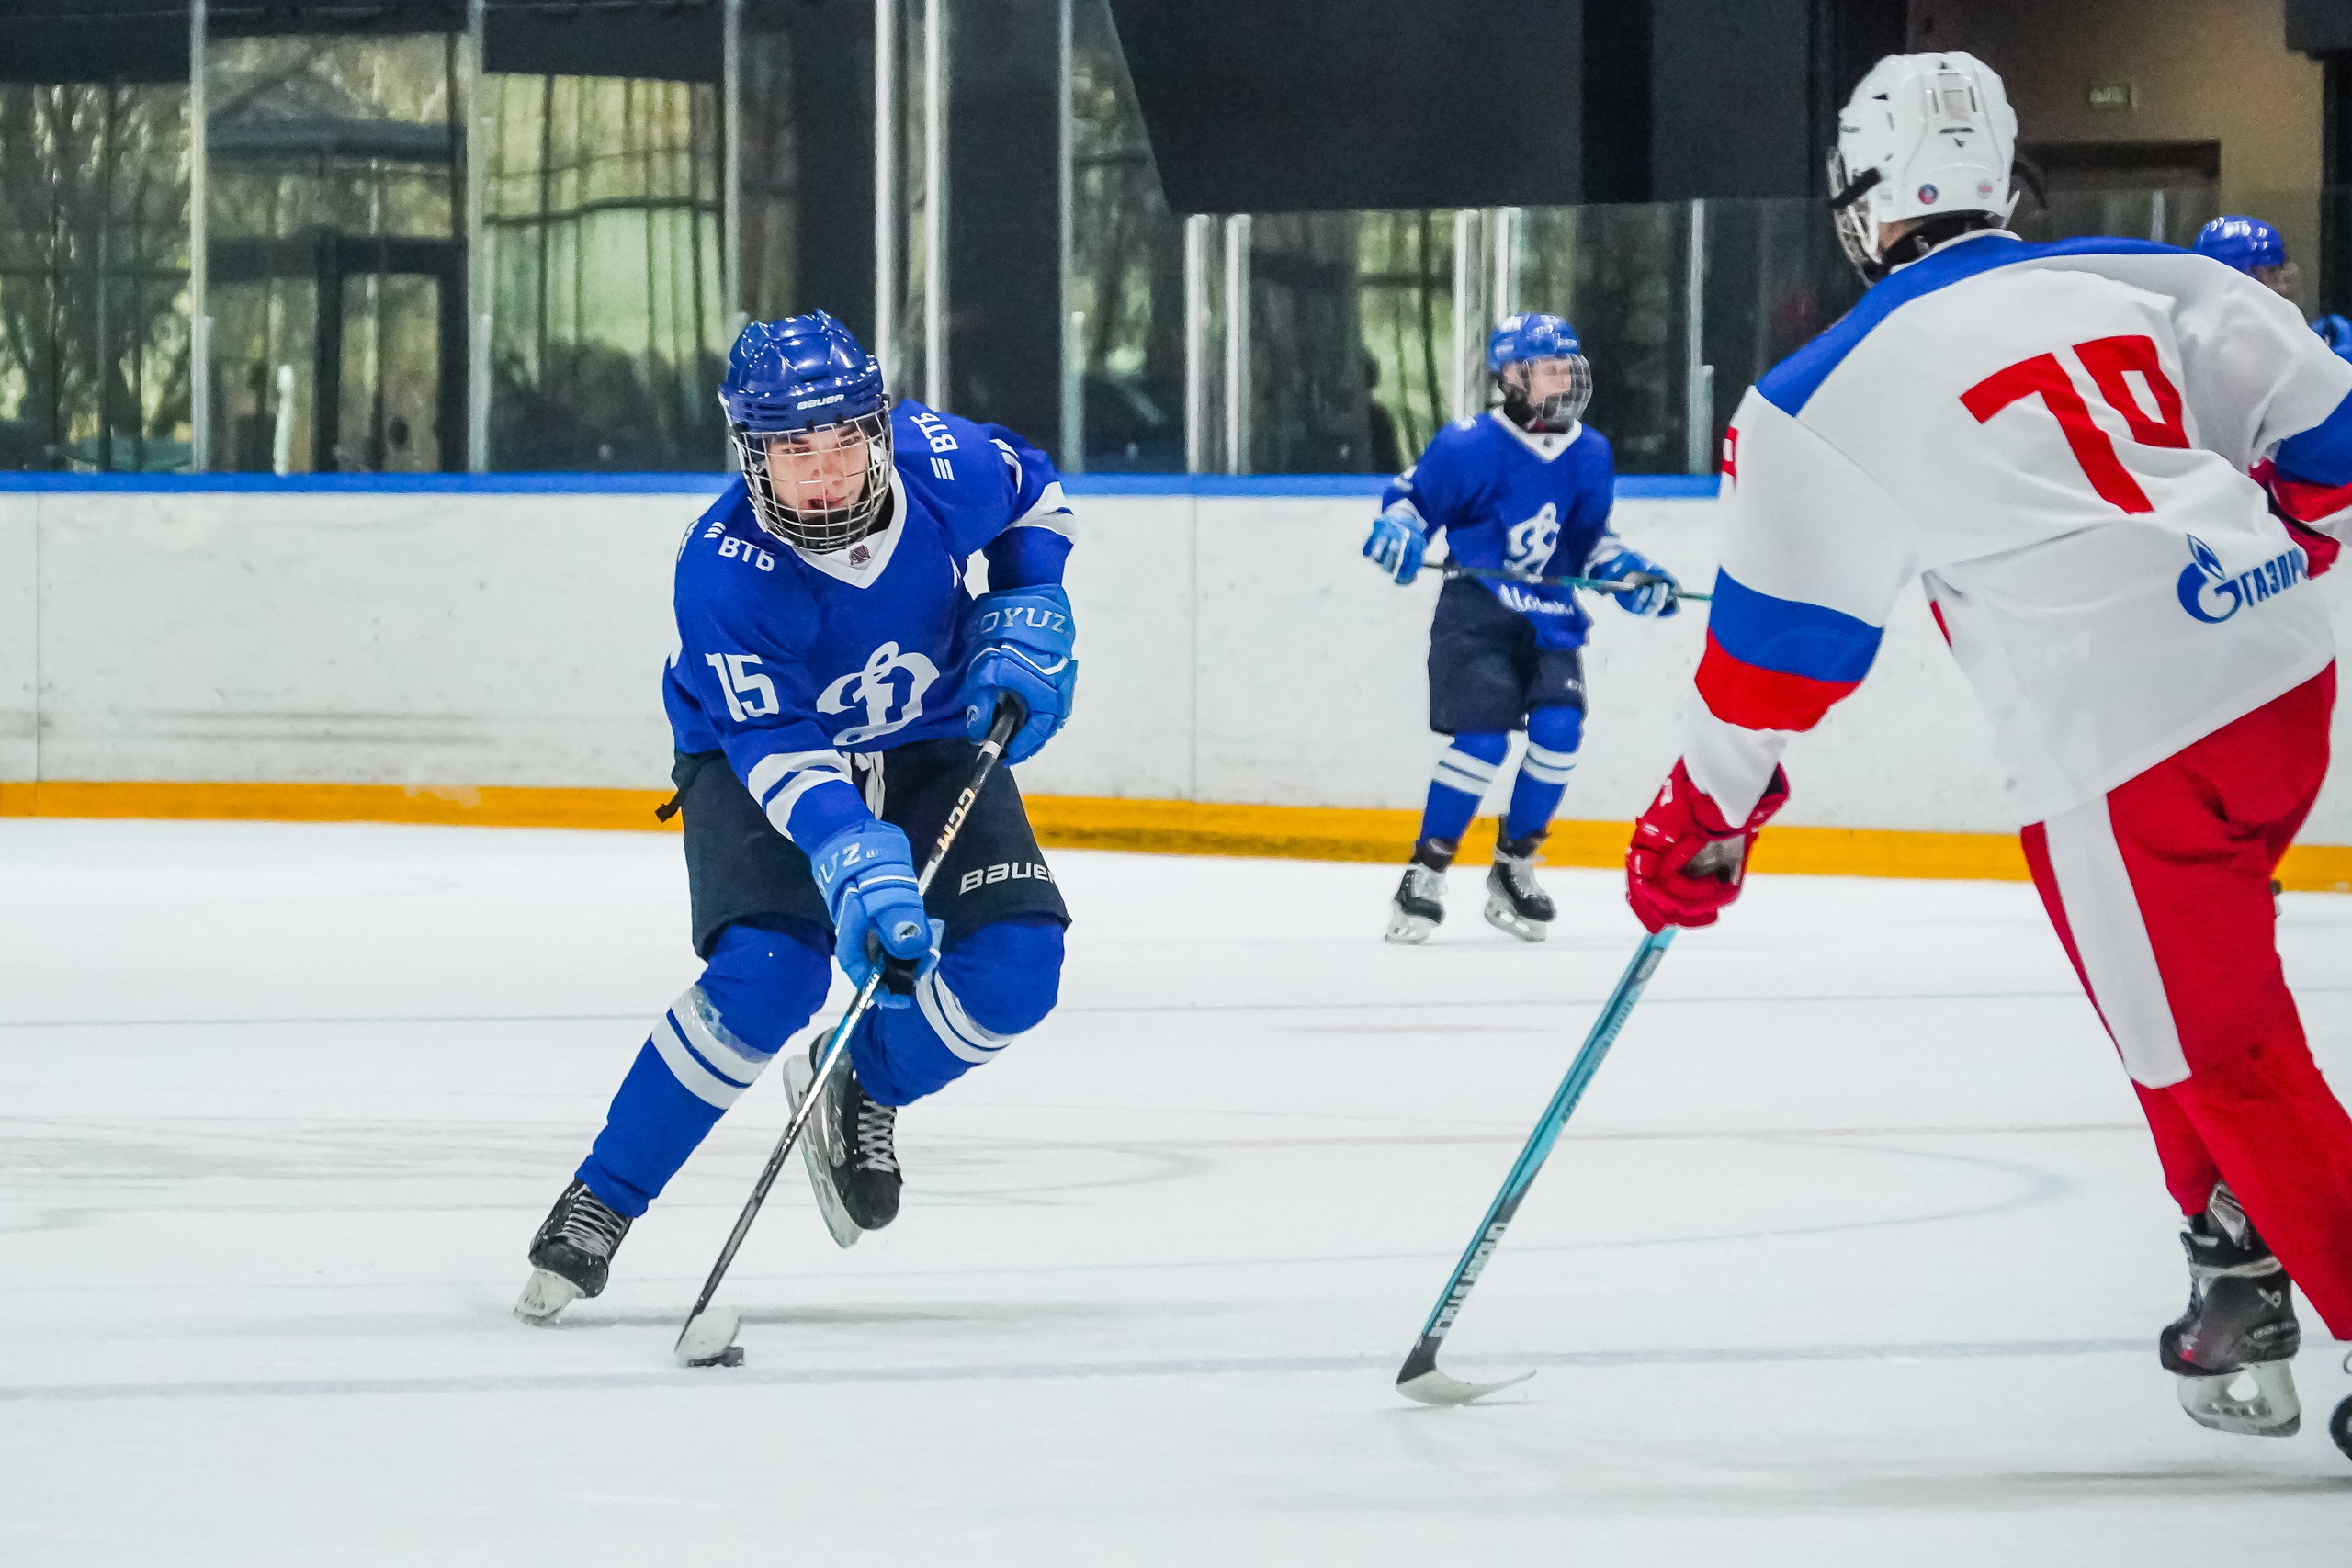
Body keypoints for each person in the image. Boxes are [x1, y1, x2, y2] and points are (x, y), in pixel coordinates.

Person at [1624, 51, 2352, 1453]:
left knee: (2224, 1046)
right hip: (2282, 682)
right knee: (2157, 987)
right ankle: (2231, 1262)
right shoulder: (2154, 278)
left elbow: (1776, 663)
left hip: (2124, 731)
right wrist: (2272, 549)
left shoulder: (1817, 393)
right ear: (2008, 177)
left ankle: (2283, 1265)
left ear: (1860, 204)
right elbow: (2331, 439)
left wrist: (1699, 815)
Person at [516, 310, 1080, 1320]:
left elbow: (1033, 487)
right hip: (755, 758)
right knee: (770, 977)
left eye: (841, 445)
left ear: (878, 429)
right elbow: (773, 743)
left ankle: (865, 1079)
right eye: (792, 454)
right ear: (751, 455)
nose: (822, 477)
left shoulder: (942, 463)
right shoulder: (722, 569)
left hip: (931, 735)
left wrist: (1029, 600)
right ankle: (603, 1196)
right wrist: (847, 849)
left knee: (1016, 968)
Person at [1363, 313, 1681, 944]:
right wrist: (1398, 528)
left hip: (1550, 612)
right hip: (1477, 610)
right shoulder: (1467, 444)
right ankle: (1425, 873)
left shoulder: (1591, 451)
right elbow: (1412, 500)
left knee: (1560, 733)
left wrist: (1629, 573)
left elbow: (1589, 542)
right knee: (1483, 743)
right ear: (1511, 376)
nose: (1565, 379)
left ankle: (1513, 867)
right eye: (1549, 368)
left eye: (1569, 366)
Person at [2192, 214, 2352, 364]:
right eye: (2271, 272)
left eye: (2278, 270)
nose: (2282, 287)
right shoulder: (2213, 349)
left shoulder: (2319, 336)